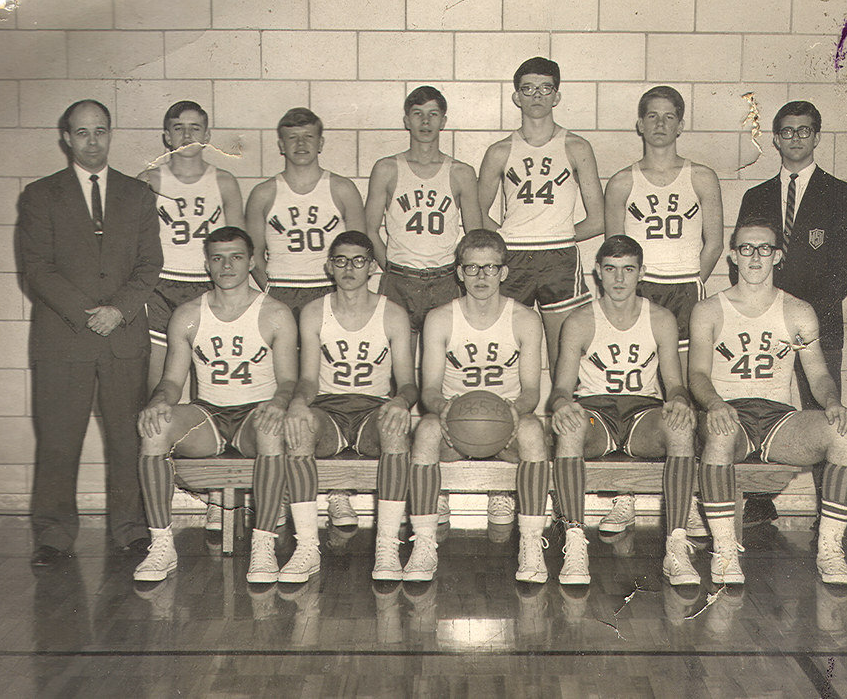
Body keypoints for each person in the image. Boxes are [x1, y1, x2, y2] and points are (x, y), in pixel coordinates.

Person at [20, 99, 163, 568]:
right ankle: (54, 535)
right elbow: (37, 270)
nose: (93, 141)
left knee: (127, 439)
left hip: (122, 338)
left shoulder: (138, 195)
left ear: (111, 133)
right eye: (83, 132)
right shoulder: (40, 195)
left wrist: (117, 311)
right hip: (64, 338)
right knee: (60, 439)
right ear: (66, 138)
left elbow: (149, 265)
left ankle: (130, 531)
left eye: (100, 130)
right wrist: (88, 315)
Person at [688, 217, 847, 586]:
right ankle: (725, 550)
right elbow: (697, 375)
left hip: (778, 419)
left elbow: (818, 375)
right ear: (732, 257)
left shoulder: (798, 311)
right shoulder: (709, 309)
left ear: (778, 256)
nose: (755, 257)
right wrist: (715, 404)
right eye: (746, 249)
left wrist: (832, 402)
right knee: (719, 435)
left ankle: (830, 549)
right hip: (729, 413)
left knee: (843, 434)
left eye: (764, 249)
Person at [132, 227, 298, 584]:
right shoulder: (189, 313)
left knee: (271, 431)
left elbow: (288, 381)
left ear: (252, 261)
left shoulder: (275, 312)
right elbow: (173, 381)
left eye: (236, 257)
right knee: (155, 428)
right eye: (218, 258)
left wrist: (279, 404)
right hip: (208, 414)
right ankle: (162, 546)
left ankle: (264, 545)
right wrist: (158, 402)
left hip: (255, 414)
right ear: (206, 264)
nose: (227, 265)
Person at [602, 85, 723, 534]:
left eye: (669, 116)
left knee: (684, 392)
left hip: (684, 288)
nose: (659, 124)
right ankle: (625, 495)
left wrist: (692, 280)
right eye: (651, 116)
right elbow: (615, 248)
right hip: (639, 288)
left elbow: (714, 242)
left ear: (680, 123)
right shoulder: (621, 182)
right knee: (635, 385)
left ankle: (686, 498)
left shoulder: (702, 177)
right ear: (639, 124)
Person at [733, 100, 847, 529]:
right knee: (759, 405)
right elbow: (749, 262)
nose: (795, 139)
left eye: (804, 131)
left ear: (817, 136)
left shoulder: (841, 193)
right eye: (787, 132)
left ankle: (829, 513)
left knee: (826, 413)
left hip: (817, 322)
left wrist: (802, 314)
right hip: (761, 325)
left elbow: (845, 266)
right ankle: (759, 502)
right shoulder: (757, 195)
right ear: (776, 138)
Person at [549, 235, 698, 586]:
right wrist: (560, 405)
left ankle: (676, 545)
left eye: (628, 270)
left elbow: (675, 383)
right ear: (597, 272)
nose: (619, 279)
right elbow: (560, 388)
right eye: (611, 269)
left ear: (641, 273)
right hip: (593, 414)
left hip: (642, 414)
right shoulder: (580, 321)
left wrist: (678, 399)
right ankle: (574, 541)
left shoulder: (660, 318)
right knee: (571, 427)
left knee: (679, 428)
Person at [406, 229, 550, 583]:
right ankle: (423, 543)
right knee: (424, 429)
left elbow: (531, 390)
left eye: (490, 268)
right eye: (472, 268)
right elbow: (428, 390)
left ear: (504, 272)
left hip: (507, 426)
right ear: (459, 272)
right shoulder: (439, 318)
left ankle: (531, 544)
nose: (481, 276)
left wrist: (515, 411)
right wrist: (443, 408)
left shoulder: (525, 319)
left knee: (534, 430)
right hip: (455, 425)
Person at [283, 231, 417, 582]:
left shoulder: (393, 314)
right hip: (328, 409)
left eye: (359, 261)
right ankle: (307, 546)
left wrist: (402, 402)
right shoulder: (314, 312)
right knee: (299, 428)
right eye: (340, 260)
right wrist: (298, 403)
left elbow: (407, 383)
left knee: (395, 427)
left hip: (373, 409)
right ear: (329, 266)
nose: (349, 268)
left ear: (372, 266)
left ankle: (387, 545)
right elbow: (309, 380)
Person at [477, 57, 603, 370]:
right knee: (505, 349)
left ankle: (563, 417)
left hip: (559, 257)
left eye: (545, 89)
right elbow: (476, 214)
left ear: (556, 96)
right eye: (528, 89)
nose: (537, 96)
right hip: (513, 256)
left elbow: (599, 219)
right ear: (516, 96)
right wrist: (504, 239)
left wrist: (557, 234)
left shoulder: (576, 146)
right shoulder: (500, 151)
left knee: (565, 353)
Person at [364, 85, 483, 353]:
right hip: (399, 280)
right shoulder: (387, 169)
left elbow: (474, 237)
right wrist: (393, 269)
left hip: (445, 280)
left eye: (433, 114)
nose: (425, 121)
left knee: (444, 367)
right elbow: (369, 230)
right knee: (398, 369)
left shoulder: (461, 172)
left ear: (444, 121)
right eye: (417, 114)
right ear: (407, 121)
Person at [139, 100, 245, 391]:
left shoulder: (224, 181)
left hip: (208, 285)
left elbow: (239, 246)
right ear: (167, 136)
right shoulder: (149, 180)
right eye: (179, 129)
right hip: (161, 284)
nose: (187, 136)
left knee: (209, 378)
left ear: (207, 136)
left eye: (194, 128)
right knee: (158, 379)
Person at [246, 107, 366, 317]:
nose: (301, 144)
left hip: (330, 287)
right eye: (293, 138)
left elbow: (361, 250)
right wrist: (270, 290)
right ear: (282, 145)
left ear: (320, 143)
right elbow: (253, 255)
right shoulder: (263, 194)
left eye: (308, 137)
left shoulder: (343, 189)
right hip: (281, 288)